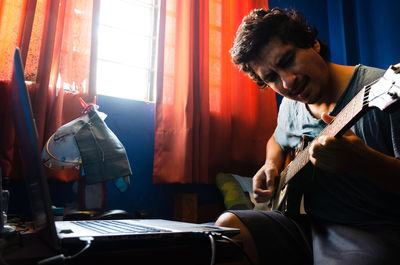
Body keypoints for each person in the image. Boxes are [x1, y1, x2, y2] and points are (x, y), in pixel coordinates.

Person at [215, 7, 400, 265]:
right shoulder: (291, 106)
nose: (287, 83)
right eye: (271, 78)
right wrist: (271, 165)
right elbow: (277, 141)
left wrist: (364, 161)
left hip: (375, 229)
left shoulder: (384, 89)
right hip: (307, 225)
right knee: (227, 231)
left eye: (287, 60)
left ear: (312, 43)